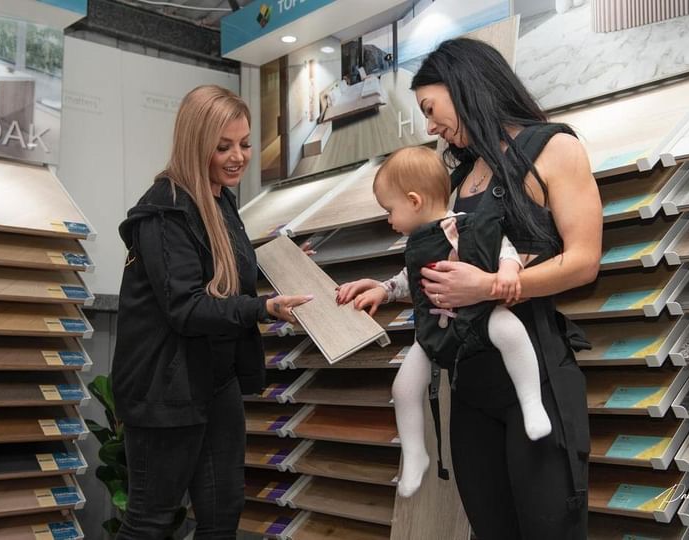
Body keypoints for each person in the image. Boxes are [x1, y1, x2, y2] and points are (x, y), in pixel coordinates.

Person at [336, 38, 602, 539]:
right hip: (470, 387)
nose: (430, 125)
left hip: (535, 376)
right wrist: (391, 289)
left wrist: (492, 286)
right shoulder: (458, 177)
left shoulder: (555, 148)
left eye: (431, 109)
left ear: (465, 86)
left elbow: (584, 262)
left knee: (550, 527)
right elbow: (443, 261)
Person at [111, 85, 312, 539]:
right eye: (223, 147)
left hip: (213, 382)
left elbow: (223, 267)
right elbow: (186, 307)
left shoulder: (220, 200)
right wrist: (263, 308)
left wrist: (287, 262)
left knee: (222, 517)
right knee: (151, 519)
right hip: (164, 390)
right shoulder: (165, 210)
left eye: (244, 143)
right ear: (194, 142)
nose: (238, 156)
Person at [357, 145, 551, 498]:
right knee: (403, 388)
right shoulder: (417, 243)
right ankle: (414, 454)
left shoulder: (463, 225)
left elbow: (503, 246)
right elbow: (409, 278)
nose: (389, 220)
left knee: (510, 330)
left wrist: (508, 270)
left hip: (478, 315)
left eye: (390, 210)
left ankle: (531, 402)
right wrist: (383, 292)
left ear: (414, 201)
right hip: (434, 328)